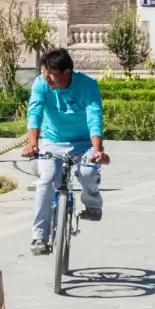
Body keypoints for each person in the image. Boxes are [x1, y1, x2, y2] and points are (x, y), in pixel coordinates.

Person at [23, 47, 108, 255]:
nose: (47, 78)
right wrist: (32, 143)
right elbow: (35, 112)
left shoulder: (87, 85)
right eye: (44, 72)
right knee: (46, 180)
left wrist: (97, 149)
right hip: (53, 142)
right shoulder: (42, 84)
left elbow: (94, 116)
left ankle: (92, 204)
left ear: (66, 73)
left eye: (51, 73)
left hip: (84, 143)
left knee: (88, 173)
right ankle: (39, 237)